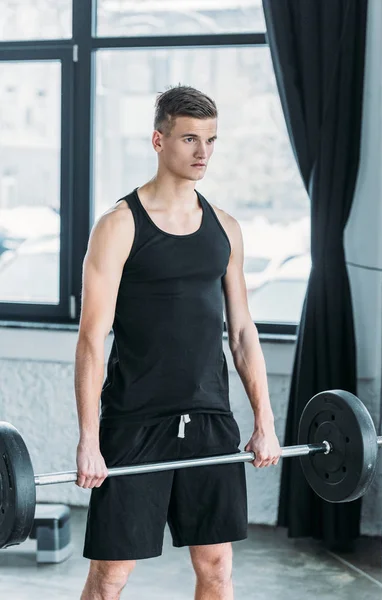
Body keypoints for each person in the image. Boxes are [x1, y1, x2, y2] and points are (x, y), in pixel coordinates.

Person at [75, 84, 281, 600]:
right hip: (135, 422)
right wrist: (89, 439)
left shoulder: (226, 229)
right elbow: (91, 340)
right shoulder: (119, 226)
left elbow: (241, 333)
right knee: (111, 577)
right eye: (190, 138)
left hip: (210, 419)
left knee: (216, 569)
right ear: (158, 139)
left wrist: (264, 423)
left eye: (211, 140)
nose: (203, 153)